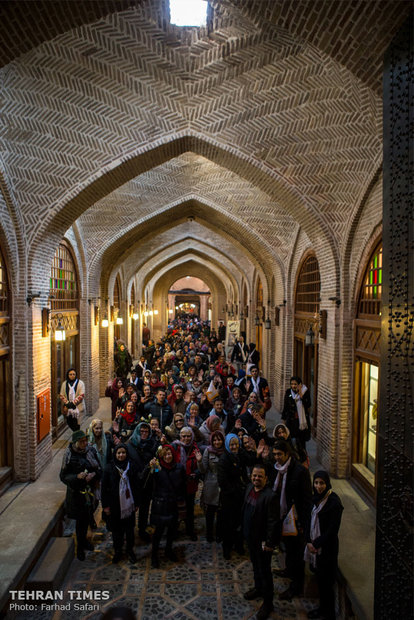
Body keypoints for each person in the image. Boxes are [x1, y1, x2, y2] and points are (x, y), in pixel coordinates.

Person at [270, 440, 312, 600]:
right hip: (282, 515)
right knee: (287, 547)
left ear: (287, 454)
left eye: (279, 454)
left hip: (295, 519)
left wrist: (303, 523)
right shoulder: (277, 469)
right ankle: (288, 570)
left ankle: (296, 587)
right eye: (275, 454)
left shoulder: (300, 472)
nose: (277, 458)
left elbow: (306, 500)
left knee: (297, 553)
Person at [242, 464, 280, 620]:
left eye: (259, 476)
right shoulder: (249, 488)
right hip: (251, 538)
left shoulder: (270, 496)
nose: (256, 478)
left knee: (265, 571)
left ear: (266, 479)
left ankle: (268, 602)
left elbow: (273, 522)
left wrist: (270, 543)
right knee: (256, 566)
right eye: (254, 475)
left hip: (263, 542)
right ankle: (258, 588)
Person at [305, 471, 344, 620]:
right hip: (314, 547)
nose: (319, 486)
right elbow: (308, 521)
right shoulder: (314, 499)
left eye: (321, 483)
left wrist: (316, 543)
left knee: (327, 583)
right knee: (320, 581)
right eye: (316, 483)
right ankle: (322, 609)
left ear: (327, 483)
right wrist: (308, 540)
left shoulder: (334, 503)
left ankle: (329, 614)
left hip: (327, 549)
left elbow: (332, 530)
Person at [60, 430, 102, 560]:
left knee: (86, 517)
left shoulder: (91, 451)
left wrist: (93, 475)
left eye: (85, 441)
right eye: (82, 442)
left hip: (90, 492)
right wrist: (77, 477)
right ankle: (80, 546)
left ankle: (84, 541)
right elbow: (63, 476)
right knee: (80, 521)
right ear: (76, 443)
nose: (85, 444)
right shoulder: (69, 455)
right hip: (77, 493)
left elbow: (99, 469)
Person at [217, 433, 256, 559]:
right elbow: (222, 481)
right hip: (229, 497)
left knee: (240, 521)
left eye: (236, 444)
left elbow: (250, 460)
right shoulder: (224, 459)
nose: (234, 447)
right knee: (229, 523)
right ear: (227, 445)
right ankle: (227, 548)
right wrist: (235, 490)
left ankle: (238, 544)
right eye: (232, 445)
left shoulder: (240, 454)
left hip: (240, 495)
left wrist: (255, 451)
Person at [148, 445, 186, 568]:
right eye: (165, 455)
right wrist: (151, 467)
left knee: (171, 531)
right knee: (158, 532)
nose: (168, 457)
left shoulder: (179, 468)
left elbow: (182, 485)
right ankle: (154, 555)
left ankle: (168, 550)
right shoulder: (158, 468)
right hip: (161, 504)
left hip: (173, 503)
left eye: (169, 454)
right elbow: (149, 479)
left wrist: (181, 501)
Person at [101, 444, 140, 563]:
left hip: (129, 504)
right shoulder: (109, 468)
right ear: (115, 454)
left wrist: (137, 502)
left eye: (123, 453)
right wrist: (105, 506)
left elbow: (136, 486)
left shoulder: (131, 466)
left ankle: (130, 550)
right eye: (119, 453)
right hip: (114, 505)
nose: (121, 455)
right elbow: (104, 488)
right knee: (116, 531)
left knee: (129, 531)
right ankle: (118, 551)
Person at [128, 421, 159, 541]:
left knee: (145, 508)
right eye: (142, 431)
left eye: (146, 431)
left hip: (147, 482)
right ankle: (130, 532)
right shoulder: (130, 445)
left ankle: (142, 529)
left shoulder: (151, 444)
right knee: (132, 509)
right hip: (134, 482)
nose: (144, 434)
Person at [173, 427, 202, 540]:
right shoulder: (175, 447)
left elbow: (200, 467)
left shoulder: (195, 448)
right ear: (180, 436)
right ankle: (174, 531)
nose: (186, 438)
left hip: (190, 485)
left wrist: (196, 473)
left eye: (188, 436)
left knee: (190, 509)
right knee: (177, 509)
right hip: (178, 485)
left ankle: (190, 530)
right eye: (183, 436)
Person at [197, 430, 225, 542]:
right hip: (211, 485)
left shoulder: (226, 451)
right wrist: (199, 461)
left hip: (222, 485)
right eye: (215, 440)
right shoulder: (208, 451)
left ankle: (219, 534)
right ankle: (209, 534)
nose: (217, 442)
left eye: (219, 439)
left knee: (221, 512)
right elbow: (203, 469)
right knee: (210, 512)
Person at [282, 376, 311, 452]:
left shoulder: (305, 392)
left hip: (301, 421)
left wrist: (301, 395)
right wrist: (284, 420)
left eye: (295, 384)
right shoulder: (288, 392)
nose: (293, 386)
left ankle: (303, 458)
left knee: (301, 441)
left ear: (299, 385)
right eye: (292, 384)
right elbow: (285, 407)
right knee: (291, 440)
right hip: (291, 421)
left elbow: (308, 405)